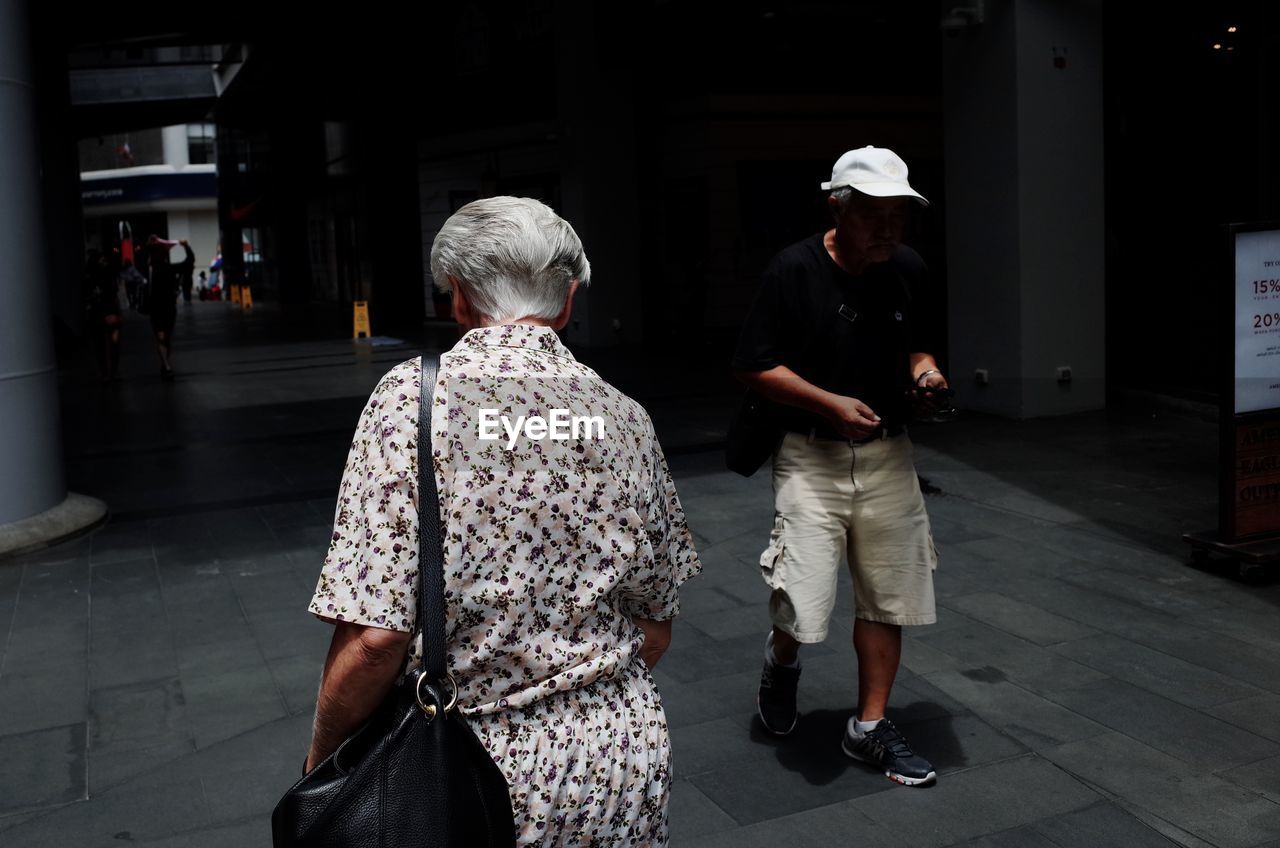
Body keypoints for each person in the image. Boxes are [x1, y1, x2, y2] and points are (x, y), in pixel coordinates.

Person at [304, 196, 701, 845]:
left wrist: (321, 756)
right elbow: (654, 623)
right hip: (621, 762)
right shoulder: (626, 416)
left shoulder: (413, 401)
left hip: (471, 775)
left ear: (457, 299)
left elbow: (375, 641)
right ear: (567, 302)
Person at [730, 146, 950, 787]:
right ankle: (781, 661)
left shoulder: (907, 267)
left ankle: (869, 727)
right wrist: (828, 405)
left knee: (890, 593)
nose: (888, 231)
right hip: (808, 455)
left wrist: (927, 373)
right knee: (803, 600)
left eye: (898, 217)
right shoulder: (793, 270)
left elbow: (919, 344)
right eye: (874, 216)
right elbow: (752, 363)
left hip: (889, 455)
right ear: (840, 206)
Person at [145, 235, 191, 380]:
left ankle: (165, 364)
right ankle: (166, 365)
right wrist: (186, 247)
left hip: (157, 308)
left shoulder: (151, 271)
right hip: (167, 308)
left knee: (163, 338)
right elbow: (188, 262)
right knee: (164, 337)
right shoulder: (168, 269)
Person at [83, 248, 123, 381]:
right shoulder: (107, 277)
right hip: (106, 314)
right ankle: (110, 372)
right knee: (111, 344)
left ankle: (106, 373)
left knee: (102, 345)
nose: (105, 263)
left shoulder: (93, 280)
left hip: (99, 314)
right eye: (102, 261)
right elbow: (113, 297)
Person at [175, 239, 196, 303]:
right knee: (187, 294)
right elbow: (191, 255)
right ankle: (187, 300)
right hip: (187, 279)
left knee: (186, 293)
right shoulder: (189, 263)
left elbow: (190, 255)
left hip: (186, 279)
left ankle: (187, 300)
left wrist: (185, 246)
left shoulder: (187, 263)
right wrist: (185, 246)